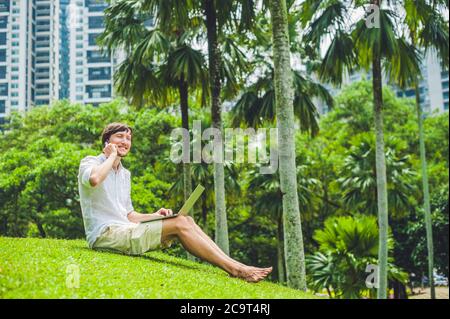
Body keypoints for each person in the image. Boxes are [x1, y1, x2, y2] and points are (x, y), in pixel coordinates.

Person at [78, 122, 272, 283]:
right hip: (105, 235)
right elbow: (94, 180)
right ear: (107, 141)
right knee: (180, 223)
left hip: (125, 230)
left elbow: (129, 215)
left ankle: (237, 266)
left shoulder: (124, 175)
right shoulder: (90, 162)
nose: (125, 141)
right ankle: (238, 270)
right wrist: (111, 156)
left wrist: (157, 216)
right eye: (120, 136)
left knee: (184, 220)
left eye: (128, 138)